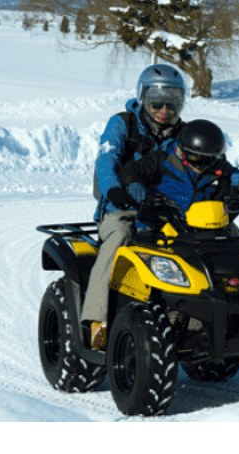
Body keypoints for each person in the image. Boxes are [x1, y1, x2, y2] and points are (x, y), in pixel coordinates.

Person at [81, 63, 187, 350]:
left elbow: (208, 163)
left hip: (166, 210)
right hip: (122, 208)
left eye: (173, 102)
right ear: (143, 98)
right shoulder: (122, 124)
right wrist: (114, 189)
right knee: (120, 236)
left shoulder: (183, 134)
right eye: (157, 102)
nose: (165, 109)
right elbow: (106, 160)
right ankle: (96, 321)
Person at [121, 119, 239, 232]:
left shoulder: (218, 167)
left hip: (205, 229)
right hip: (161, 226)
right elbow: (130, 171)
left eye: (209, 159)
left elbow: (237, 177)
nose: (202, 166)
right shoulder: (162, 160)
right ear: (182, 151)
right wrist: (141, 195)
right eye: (196, 159)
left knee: (236, 245)